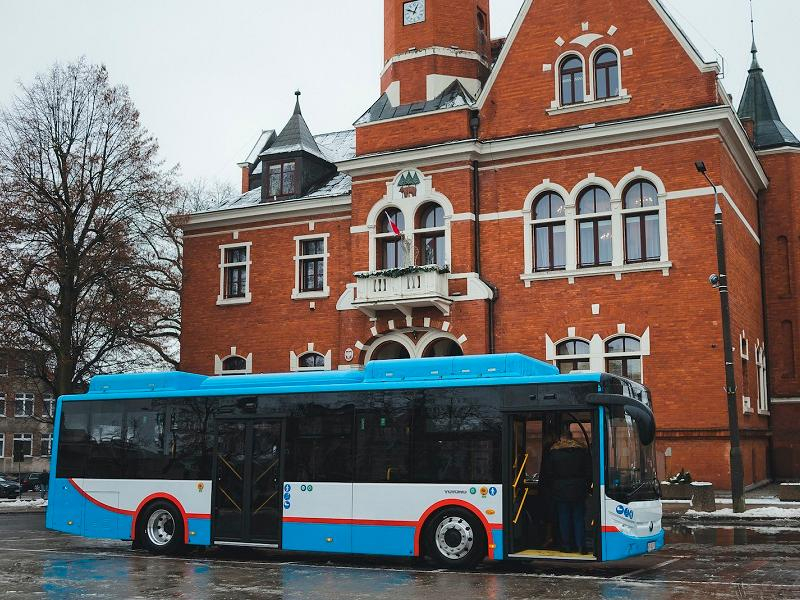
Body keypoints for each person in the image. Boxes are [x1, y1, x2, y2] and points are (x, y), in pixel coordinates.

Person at [541, 428, 592, 554]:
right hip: (578, 489)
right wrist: (585, 487)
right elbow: (589, 472)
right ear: (571, 437)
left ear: (562, 438)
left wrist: (553, 487)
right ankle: (581, 545)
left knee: (564, 518)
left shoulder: (554, 453)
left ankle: (566, 545)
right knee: (579, 518)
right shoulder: (582, 451)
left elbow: (548, 473)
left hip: (560, 489)